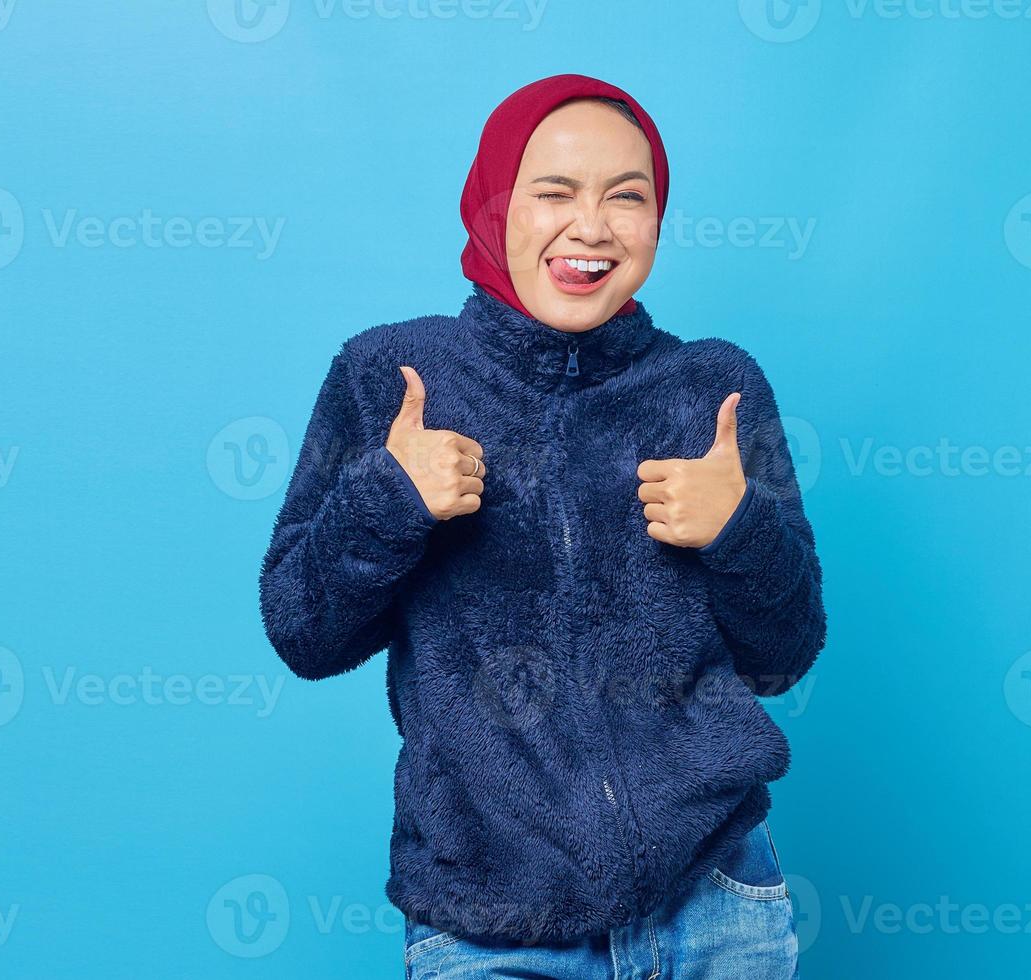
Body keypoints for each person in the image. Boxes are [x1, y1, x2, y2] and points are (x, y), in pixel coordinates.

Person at [258, 72, 825, 978]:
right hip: (489, 926)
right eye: (553, 192)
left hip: (717, 908)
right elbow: (302, 629)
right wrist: (387, 500)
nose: (591, 228)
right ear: (493, 205)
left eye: (626, 198)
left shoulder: (712, 386)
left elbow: (785, 649)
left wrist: (738, 529)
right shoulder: (391, 376)